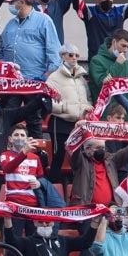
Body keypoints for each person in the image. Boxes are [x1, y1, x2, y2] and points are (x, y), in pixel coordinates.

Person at [45, 44, 92, 183]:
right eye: (71, 55)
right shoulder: (54, 78)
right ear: (62, 56)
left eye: (77, 55)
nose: (74, 58)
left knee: (79, 158)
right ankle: (53, 187)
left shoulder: (81, 78)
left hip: (78, 124)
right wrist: (66, 107)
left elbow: (87, 98)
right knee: (58, 157)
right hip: (60, 123)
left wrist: (86, 108)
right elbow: (47, 100)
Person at [0, 0, 60, 80]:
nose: (9, 5)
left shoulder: (44, 21)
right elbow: (0, 51)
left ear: (21, 3)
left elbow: (54, 52)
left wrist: (47, 76)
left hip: (35, 81)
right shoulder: (10, 24)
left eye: (11, 2)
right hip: (11, 82)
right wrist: (5, 70)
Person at [88, 28, 128, 99]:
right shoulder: (97, 61)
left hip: (125, 109)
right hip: (107, 108)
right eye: (123, 46)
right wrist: (118, 64)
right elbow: (101, 85)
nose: (125, 50)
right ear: (114, 42)